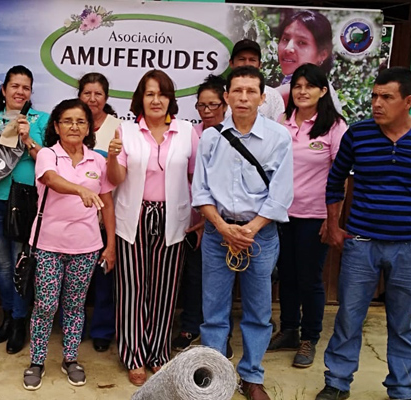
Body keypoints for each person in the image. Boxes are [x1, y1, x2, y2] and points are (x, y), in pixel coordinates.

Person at [316, 67, 411, 400]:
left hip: (410, 247)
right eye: (374, 95)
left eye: (386, 97)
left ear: (408, 101)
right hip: (362, 244)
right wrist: (333, 225)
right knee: (348, 316)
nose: (376, 103)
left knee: (400, 322)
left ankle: (402, 389)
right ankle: (337, 383)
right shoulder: (358, 135)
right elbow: (335, 180)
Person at [192, 66, 294, 400]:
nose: (244, 97)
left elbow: (281, 194)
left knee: (258, 311)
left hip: (259, 236)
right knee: (214, 310)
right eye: (237, 91)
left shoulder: (278, 137)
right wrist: (223, 228)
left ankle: (251, 375)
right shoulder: (211, 136)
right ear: (226, 96)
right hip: (217, 233)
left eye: (251, 91)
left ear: (263, 97)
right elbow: (201, 192)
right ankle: (215, 373)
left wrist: (248, 230)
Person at [105, 69, 194, 386]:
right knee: (132, 289)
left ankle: (158, 353)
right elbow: (115, 180)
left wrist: (196, 220)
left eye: (162, 94)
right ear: (140, 99)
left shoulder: (186, 131)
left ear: (171, 99)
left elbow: (195, 176)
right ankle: (133, 355)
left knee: (165, 290)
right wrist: (112, 159)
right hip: (134, 217)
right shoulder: (125, 130)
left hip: (173, 218)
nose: (156, 100)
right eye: (150, 93)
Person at [22, 99, 115, 390]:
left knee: (75, 307)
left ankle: (70, 359)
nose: (74, 126)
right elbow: (50, 180)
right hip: (48, 244)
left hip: (87, 247)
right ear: (57, 126)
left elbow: (108, 206)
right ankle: (36, 361)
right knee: (46, 305)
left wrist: (109, 245)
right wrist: (79, 190)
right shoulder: (48, 155)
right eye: (68, 121)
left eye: (81, 121)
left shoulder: (97, 160)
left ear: (89, 127)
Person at [267, 64, 347, 368]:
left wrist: (332, 220)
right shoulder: (282, 122)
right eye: (297, 86)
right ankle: (289, 329)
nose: (302, 91)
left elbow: (341, 176)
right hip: (280, 215)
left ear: (322, 91)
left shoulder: (334, 126)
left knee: (309, 277)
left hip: (315, 216)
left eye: (309, 86)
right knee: (285, 274)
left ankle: (309, 337)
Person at [0, 65, 49, 354]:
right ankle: (7, 316)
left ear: (31, 92)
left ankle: (21, 321)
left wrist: (29, 137)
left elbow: (46, 159)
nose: (20, 91)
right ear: (4, 90)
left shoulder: (40, 120)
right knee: (3, 264)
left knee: (21, 262)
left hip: (26, 201)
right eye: (15, 86)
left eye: (26, 87)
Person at [171, 74, 228, 354]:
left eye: (213, 105)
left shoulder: (232, 135)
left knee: (219, 280)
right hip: (191, 219)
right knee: (193, 275)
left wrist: (212, 218)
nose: (206, 111)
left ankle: (219, 334)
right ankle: (190, 326)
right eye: (201, 106)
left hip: (223, 220)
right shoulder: (190, 135)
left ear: (225, 104)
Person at [76, 72, 120, 353]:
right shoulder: (71, 121)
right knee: (75, 278)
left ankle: (103, 329)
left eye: (98, 94)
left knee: (105, 274)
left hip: (107, 212)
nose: (92, 98)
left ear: (106, 97)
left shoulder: (118, 127)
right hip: (75, 216)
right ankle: (74, 326)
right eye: (87, 93)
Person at [274, 10, 342, 113]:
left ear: (322, 54)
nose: (288, 48)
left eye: (301, 42)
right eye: (285, 39)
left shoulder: (297, 91)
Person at [227, 39, 285, 122]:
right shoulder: (220, 94)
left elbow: (279, 129)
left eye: (252, 60)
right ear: (231, 63)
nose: (247, 64)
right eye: (241, 59)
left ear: (260, 65)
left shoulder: (273, 96)